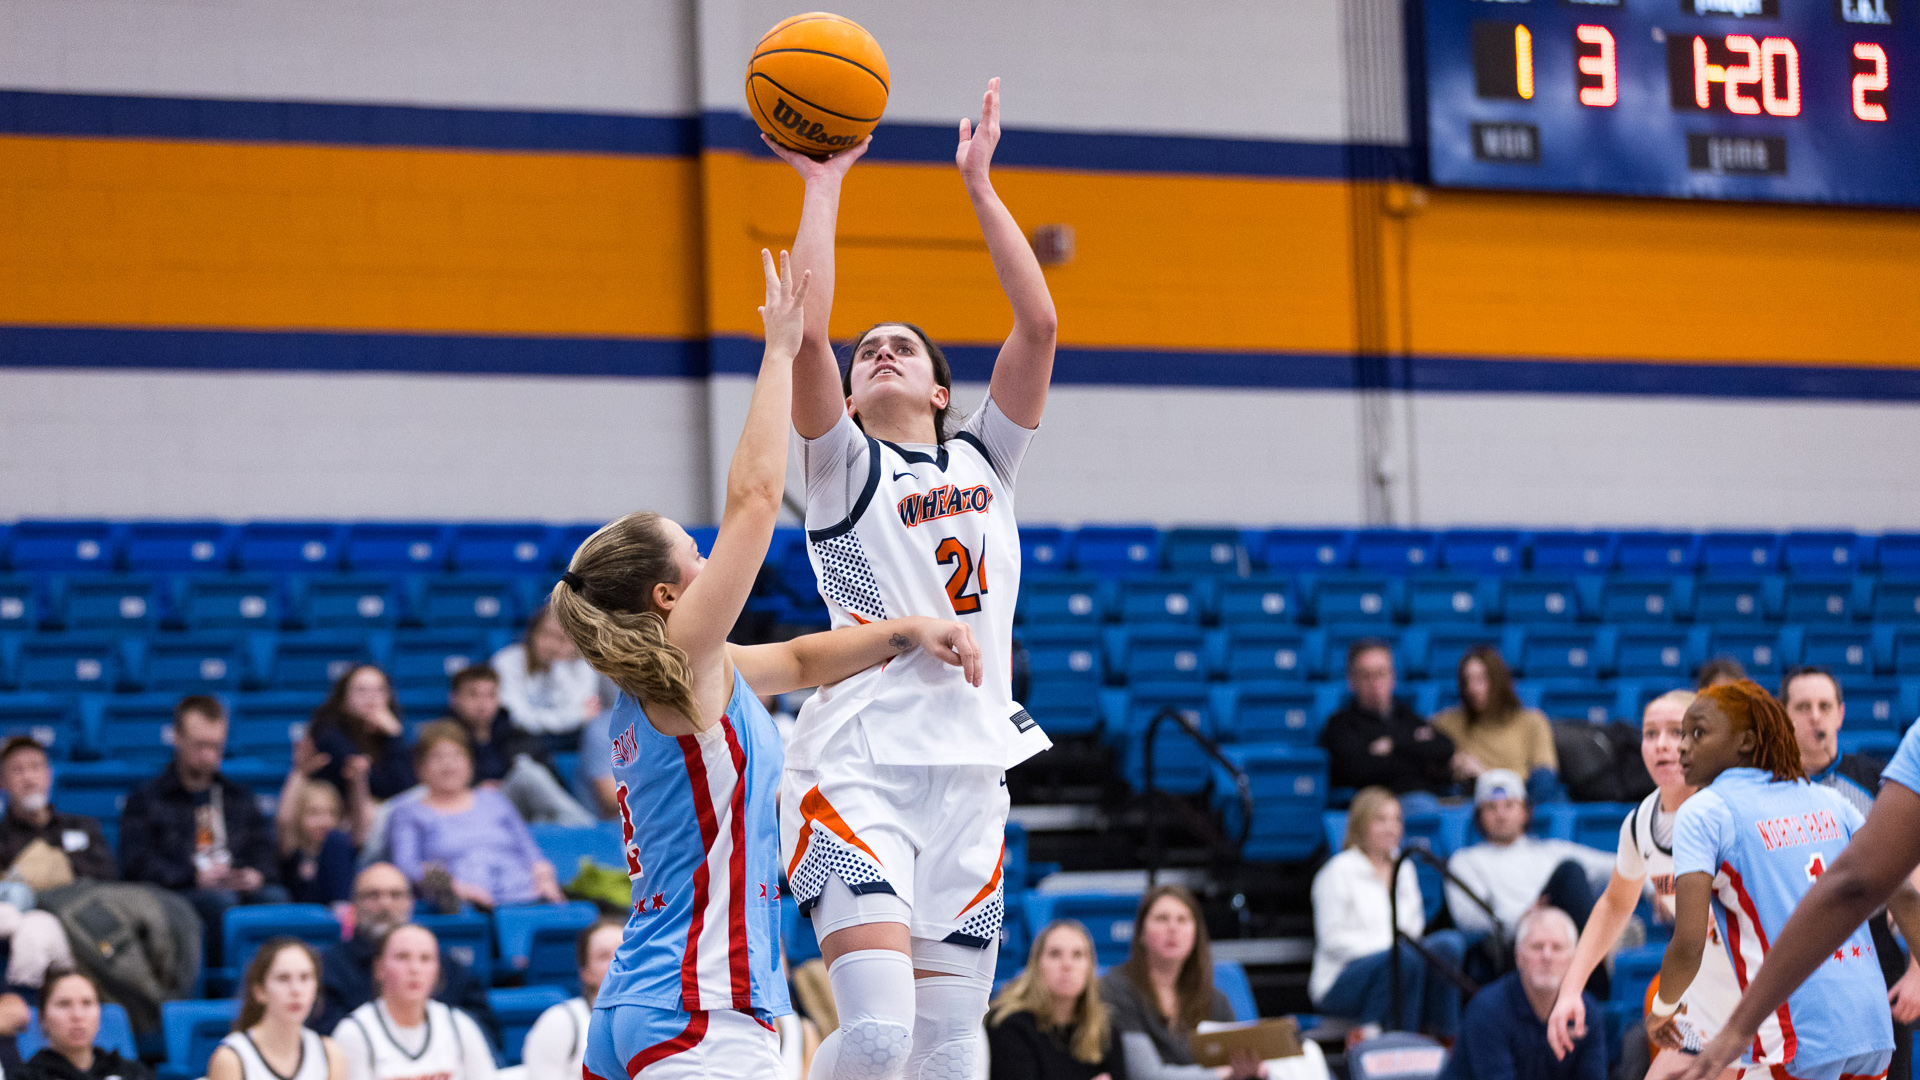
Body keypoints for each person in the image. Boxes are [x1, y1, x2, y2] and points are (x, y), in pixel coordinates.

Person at [550, 250, 985, 1080]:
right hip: (700, 1006)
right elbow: (754, 500)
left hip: (640, 999)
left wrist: (908, 629)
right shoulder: (684, 659)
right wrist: (779, 349)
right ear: (671, 594)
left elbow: (796, 656)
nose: (709, 552)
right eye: (694, 551)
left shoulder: (686, 676)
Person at [769, 77, 1059, 1080]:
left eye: (903, 348)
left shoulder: (987, 460)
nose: (878, 352)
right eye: (867, 352)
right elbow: (806, 333)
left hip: (969, 775)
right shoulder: (843, 466)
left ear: (941, 389)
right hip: (860, 765)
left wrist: (979, 185)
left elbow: (1039, 326)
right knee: (882, 1035)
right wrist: (824, 181)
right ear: (851, 392)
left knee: (946, 1048)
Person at [1647, 681, 1920, 1080]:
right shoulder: (1827, 799)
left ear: (1745, 742)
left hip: (1794, 1035)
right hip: (1870, 1027)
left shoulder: (1703, 811)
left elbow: (1688, 944)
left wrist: (1662, 1011)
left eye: (1698, 734)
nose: (1682, 747)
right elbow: (1906, 896)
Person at [1546, 690, 1746, 1080]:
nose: (1662, 745)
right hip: (1708, 999)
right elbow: (1615, 905)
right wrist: (1570, 989)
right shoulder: (1641, 823)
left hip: (1766, 1000)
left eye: (1677, 731)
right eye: (1651, 733)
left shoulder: (1734, 813)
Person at [1784, 666, 1920, 1080]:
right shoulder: (1767, 789)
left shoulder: (1877, 781)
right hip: (1795, 950)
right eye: (1803, 707)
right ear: (1783, 715)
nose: (1815, 717)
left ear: (1841, 714)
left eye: (1825, 706)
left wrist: (1917, 968)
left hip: (1875, 944)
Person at [119, 696, 285, 959]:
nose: (208, 755)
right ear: (177, 738)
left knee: (274, 898)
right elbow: (137, 865)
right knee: (219, 904)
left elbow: (264, 851)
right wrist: (192, 876)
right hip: (178, 893)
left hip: (234, 888)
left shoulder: (238, 797)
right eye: (200, 745)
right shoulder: (146, 800)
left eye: (216, 746)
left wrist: (255, 875)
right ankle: (221, 988)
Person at [1310, 788, 1467, 1037]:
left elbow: (1414, 926)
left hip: (1401, 962)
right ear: (1361, 824)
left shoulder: (1404, 868)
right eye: (1381, 820)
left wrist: (1397, 948)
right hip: (1341, 978)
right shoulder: (1337, 872)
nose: (1391, 828)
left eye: (1396, 820)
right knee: (1404, 957)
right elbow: (1332, 941)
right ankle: (1396, 1039)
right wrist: (1391, 947)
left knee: (1449, 944)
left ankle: (1444, 1036)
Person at [384, 721, 564, 910]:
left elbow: (530, 851)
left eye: (457, 755)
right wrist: (456, 888)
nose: (448, 764)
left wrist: (544, 878)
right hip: (460, 905)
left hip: (524, 894)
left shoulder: (494, 799)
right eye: (437, 757)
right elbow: (406, 867)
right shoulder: (407, 813)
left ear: (470, 763)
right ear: (419, 767)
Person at [1102, 886, 1267, 1080]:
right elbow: (1146, 1076)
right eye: (1162, 919)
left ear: (1196, 934)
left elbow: (1236, 1061)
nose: (1173, 928)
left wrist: (1250, 1070)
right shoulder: (1117, 987)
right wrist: (1221, 1074)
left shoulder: (1214, 999)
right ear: (1141, 933)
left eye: (1182, 920)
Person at [313, 863, 493, 1037]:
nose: (385, 904)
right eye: (372, 895)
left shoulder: (444, 964)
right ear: (354, 904)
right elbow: (329, 1039)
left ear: (411, 903)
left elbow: (484, 1031)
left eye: (396, 894)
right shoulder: (328, 969)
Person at [1445, 770, 1614, 941]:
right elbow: (1468, 919)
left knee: (1572, 870)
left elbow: (1616, 866)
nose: (1501, 815)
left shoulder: (1549, 851)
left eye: (1509, 805)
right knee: (1569, 871)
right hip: (1513, 940)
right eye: (1491, 807)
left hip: (1562, 933)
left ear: (1524, 811)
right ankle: (1605, 944)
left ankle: (1607, 940)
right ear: (1479, 817)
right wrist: (1523, 917)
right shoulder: (1466, 860)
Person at [0, 736, 111, 989]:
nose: (29, 778)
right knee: (32, 931)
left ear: (49, 775)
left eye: (36, 767)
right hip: (30, 926)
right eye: (17, 770)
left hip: (86, 922)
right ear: (2, 782)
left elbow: (106, 878)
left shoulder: (83, 826)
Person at [1443, 908, 1605, 1080]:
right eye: (1537, 947)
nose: (1547, 956)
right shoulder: (1487, 1010)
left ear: (1573, 959)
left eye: (1557, 947)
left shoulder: (1585, 1011)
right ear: (1518, 957)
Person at [332, 925, 493, 1080]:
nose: (414, 968)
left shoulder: (460, 1025)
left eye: (425, 958)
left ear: (437, 970)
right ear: (380, 968)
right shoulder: (354, 1032)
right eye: (402, 957)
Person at [441, 666, 595, 827]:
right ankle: (590, 830)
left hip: (517, 812)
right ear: (454, 698)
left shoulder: (518, 735)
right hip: (463, 811)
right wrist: (476, 789)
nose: (482, 704)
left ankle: (585, 829)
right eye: (473, 695)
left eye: (490, 695)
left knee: (527, 772)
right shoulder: (440, 740)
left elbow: (552, 785)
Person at [986, 919, 1122, 1080]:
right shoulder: (1008, 1023)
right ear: (1036, 965)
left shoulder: (1103, 1025)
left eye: (1077, 955)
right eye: (1055, 954)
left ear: (1090, 967)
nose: (1067, 964)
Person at [1320, 640, 1456, 797]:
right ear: (1351, 681)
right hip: (1371, 805)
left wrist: (1393, 745)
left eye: (1381, 673)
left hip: (1422, 797)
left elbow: (1444, 748)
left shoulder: (1407, 716)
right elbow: (1355, 770)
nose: (1375, 682)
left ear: (1393, 677)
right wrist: (1415, 751)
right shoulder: (1340, 724)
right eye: (1366, 675)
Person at [1430, 647, 1558, 802]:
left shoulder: (1532, 721)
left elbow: (1544, 782)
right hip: (1471, 802)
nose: (1472, 689)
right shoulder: (1449, 722)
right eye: (1466, 681)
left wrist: (1486, 777)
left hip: (1520, 803)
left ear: (1499, 680)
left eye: (1481, 679)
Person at [207, 939, 343, 1080]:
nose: (296, 990)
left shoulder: (330, 1054)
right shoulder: (231, 1059)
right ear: (259, 991)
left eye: (305, 977)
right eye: (283, 978)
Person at [522, 919, 622, 1080]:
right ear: (586, 974)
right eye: (604, 956)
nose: (617, 961)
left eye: (623, 951)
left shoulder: (660, 1016)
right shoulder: (559, 1021)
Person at [493, 607, 602, 746]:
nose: (552, 645)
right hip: (519, 739)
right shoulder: (507, 661)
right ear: (532, 633)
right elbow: (515, 717)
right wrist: (572, 717)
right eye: (546, 634)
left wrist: (559, 666)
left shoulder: (584, 666)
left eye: (562, 638)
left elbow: (586, 714)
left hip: (574, 739)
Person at [307, 665, 415, 803]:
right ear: (343, 698)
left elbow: (407, 790)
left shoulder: (387, 733)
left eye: (379, 690)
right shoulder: (329, 734)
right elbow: (385, 789)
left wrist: (394, 734)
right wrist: (395, 736)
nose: (371, 698)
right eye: (361, 690)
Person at [17, 971, 152, 1080]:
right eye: (64, 1004)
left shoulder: (132, 1072)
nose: (78, 1015)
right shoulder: (25, 1076)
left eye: (87, 1003)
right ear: (42, 1017)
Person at [277, 762, 360, 908]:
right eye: (314, 813)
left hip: (337, 915)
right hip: (302, 920)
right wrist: (299, 772)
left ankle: (342, 909)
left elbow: (363, 827)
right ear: (299, 816)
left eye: (331, 813)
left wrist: (359, 782)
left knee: (337, 840)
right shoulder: (293, 848)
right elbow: (284, 820)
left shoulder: (339, 845)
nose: (324, 821)